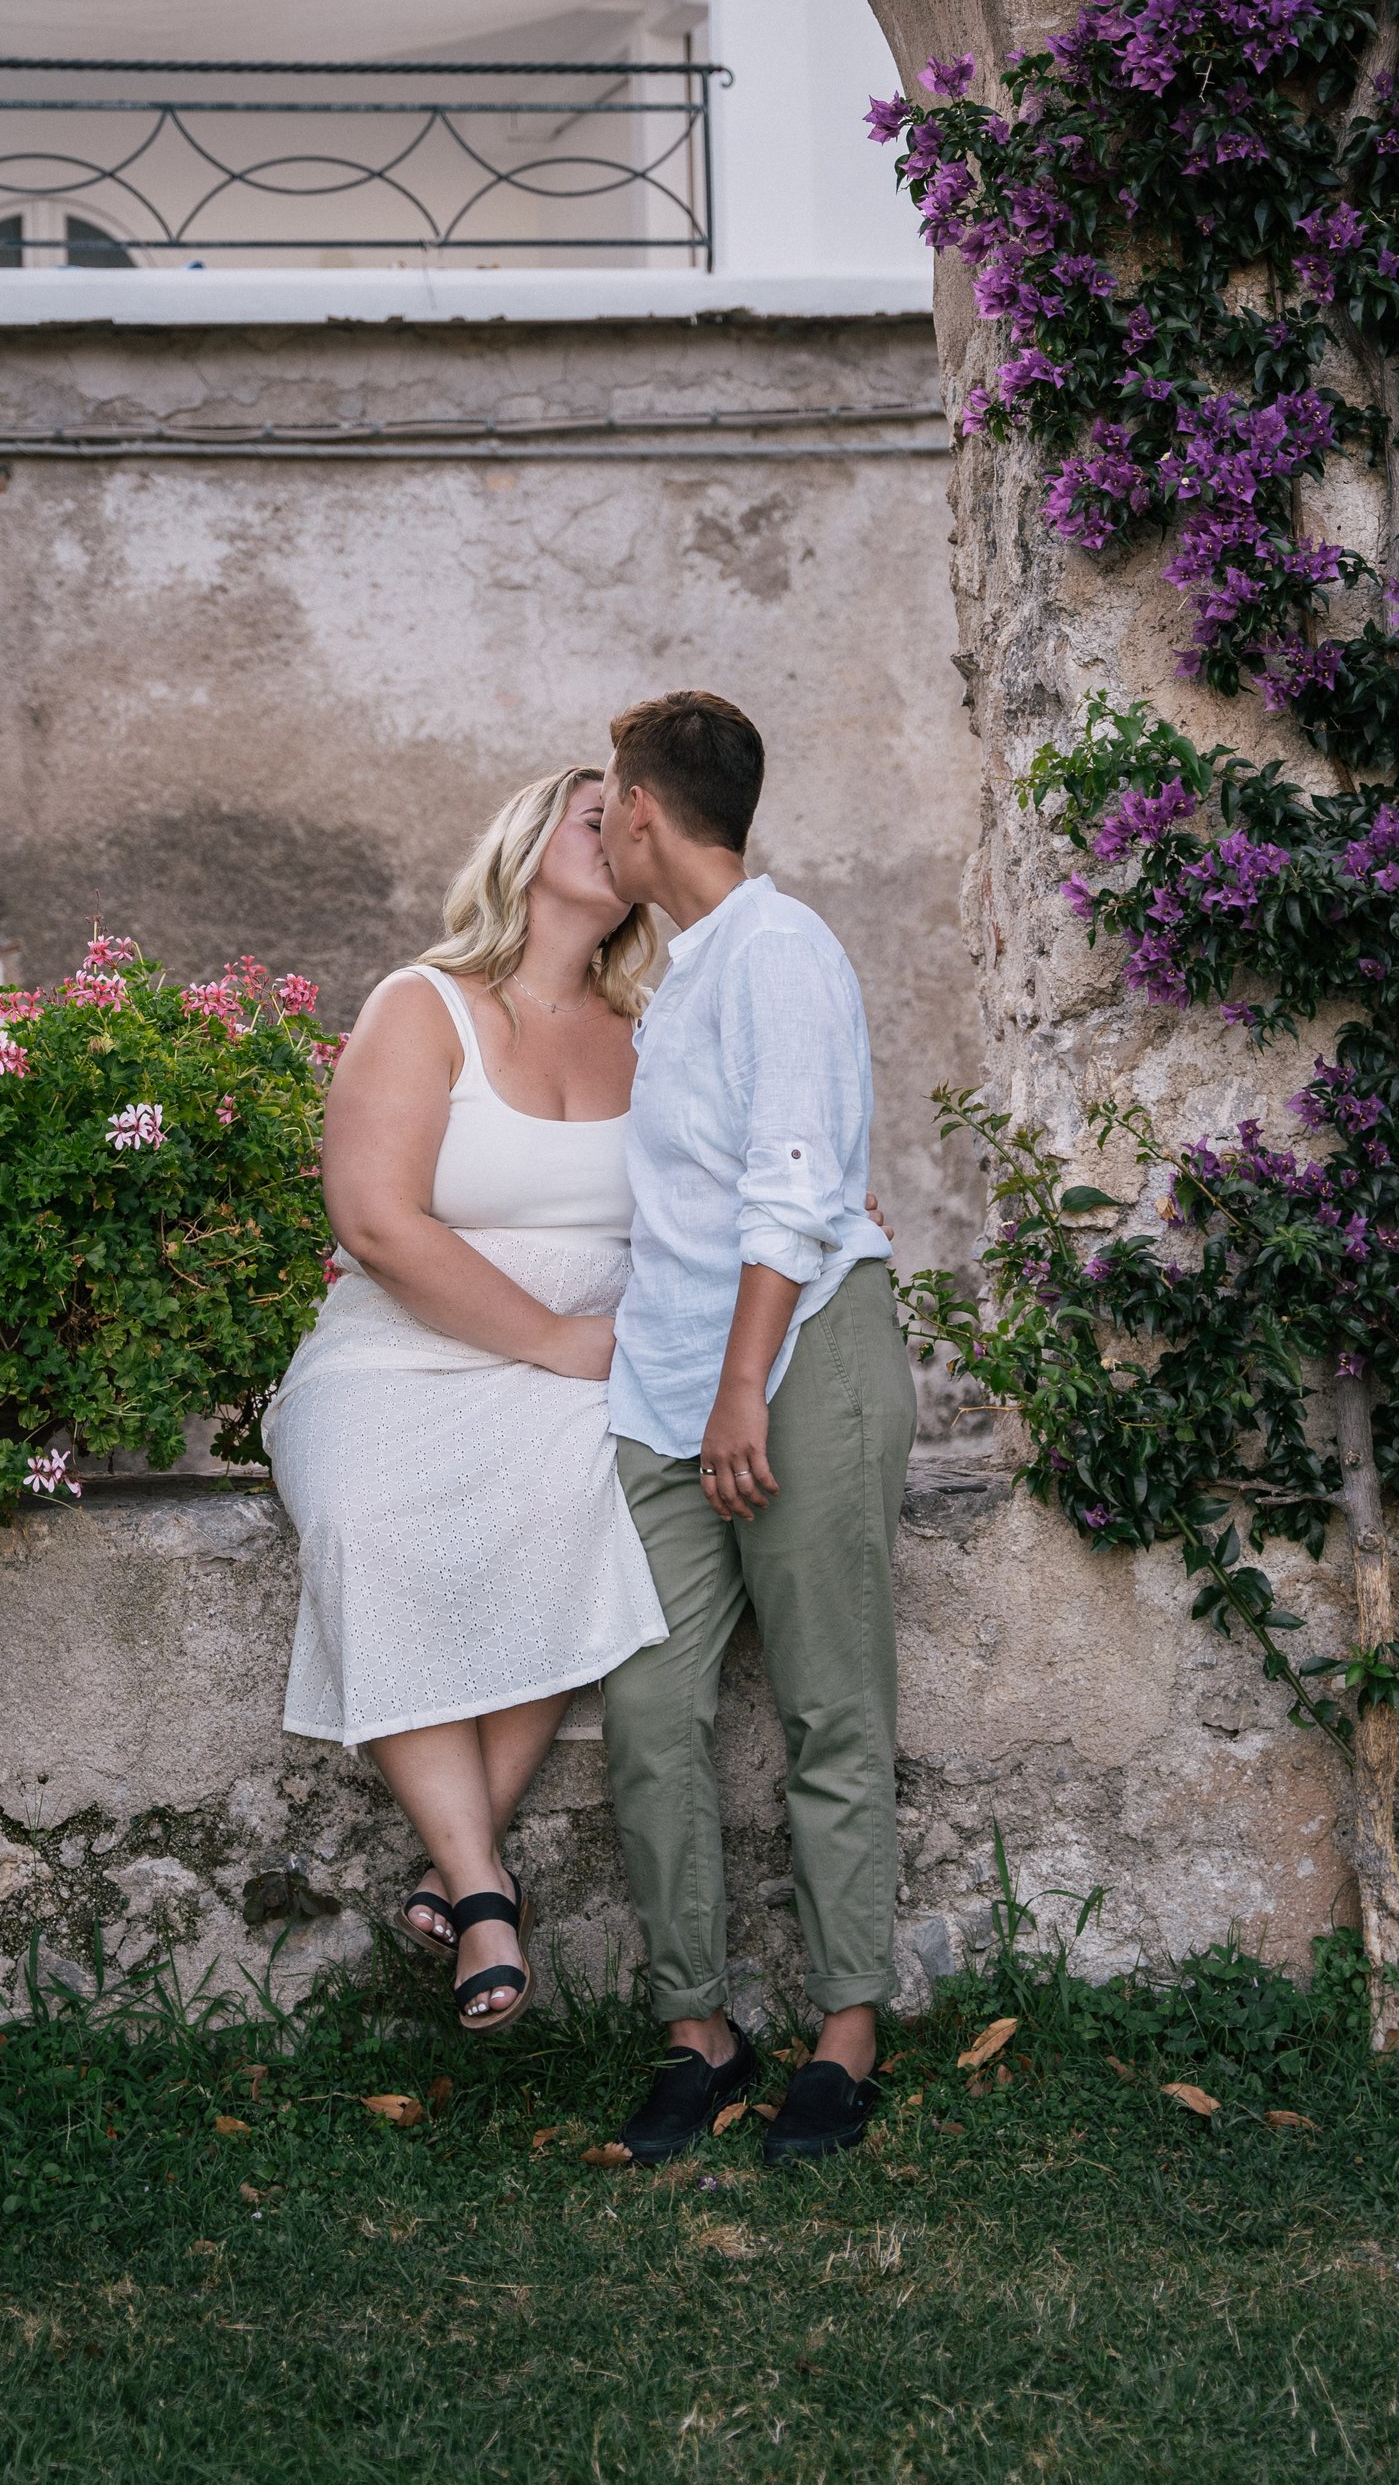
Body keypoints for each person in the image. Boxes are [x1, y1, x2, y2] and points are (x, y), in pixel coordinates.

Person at [263, 768, 668, 2038]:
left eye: (637, 821)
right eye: (595, 811)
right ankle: (487, 1879)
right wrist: (550, 1338)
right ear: (530, 838)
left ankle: (465, 1880)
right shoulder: (421, 1002)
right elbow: (377, 1223)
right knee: (365, 1521)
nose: (619, 831)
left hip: (580, 1374)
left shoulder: (653, 1031)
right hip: (402, 1358)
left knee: (575, 1500)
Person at [595, 690, 917, 2167]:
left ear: (644, 810)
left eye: (606, 798)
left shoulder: (778, 951)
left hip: (793, 1365)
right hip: (672, 1386)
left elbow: (792, 1187)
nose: (599, 821)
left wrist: (745, 1386)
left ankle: (845, 2037)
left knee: (828, 1703)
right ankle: (700, 2035)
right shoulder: (690, 969)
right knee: (654, 1711)